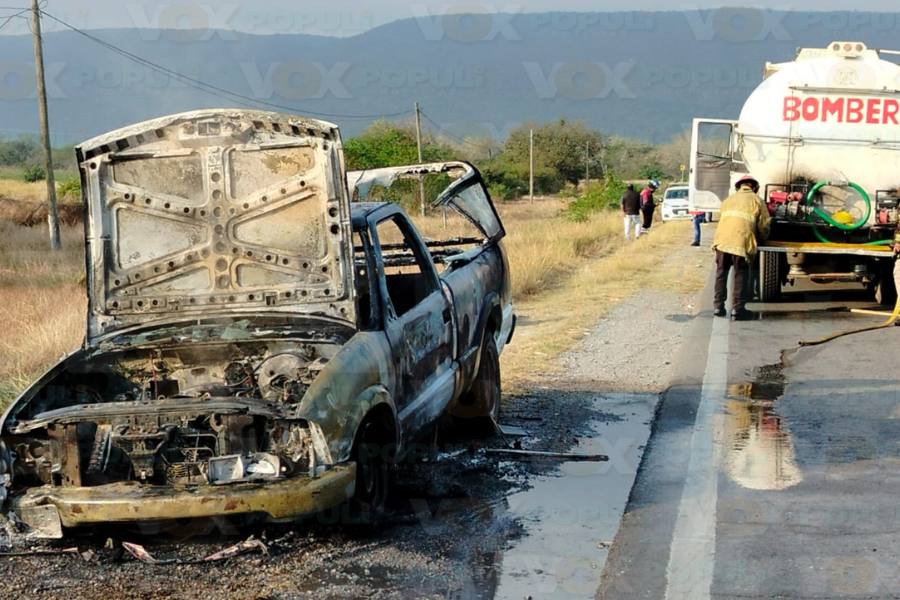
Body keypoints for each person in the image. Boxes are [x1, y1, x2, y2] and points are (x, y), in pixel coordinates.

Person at [712, 175, 771, 321]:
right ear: (754, 187)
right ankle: (737, 310)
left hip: (722, 241)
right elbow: (764, 224)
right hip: (741, 242)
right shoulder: (757, 200)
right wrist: (763, 238)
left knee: (721, 274)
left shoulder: (728, 200)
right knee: (740, 275)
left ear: (739, 187)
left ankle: (718, 306)